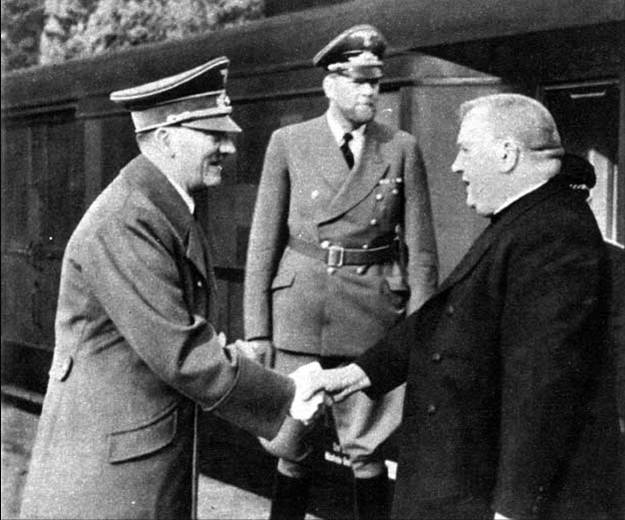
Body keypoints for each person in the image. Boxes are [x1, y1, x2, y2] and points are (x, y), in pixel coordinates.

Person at [19, 57, 324, 520]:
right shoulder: (127, 220)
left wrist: (233, 359)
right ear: (165, 139)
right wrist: (283, 395)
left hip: (132, 452)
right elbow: (179, 351)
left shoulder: (160, 208)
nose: (230, 147)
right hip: (108, 475)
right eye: (214, 135)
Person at [316, 93, 623, 519]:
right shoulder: (528, 218)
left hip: (495, 497)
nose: (457, 167)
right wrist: (356, 374)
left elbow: (544, 387)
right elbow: (449, 315)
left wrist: (513, 511)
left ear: (506, 154)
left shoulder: (554, 235)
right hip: (467, 484)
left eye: (465, 151)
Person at [242, 24, 438, 520]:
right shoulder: (288, 142)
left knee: (367, 451)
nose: (370, 91)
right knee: (291, 445)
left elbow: (422, 252)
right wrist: (258, 329)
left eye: (376, 81)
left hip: (370, 315)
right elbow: (263, 242)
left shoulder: (400, 148)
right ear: (330, 85)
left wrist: (419, 333)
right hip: (299, 315)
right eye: (357, 80)